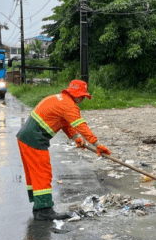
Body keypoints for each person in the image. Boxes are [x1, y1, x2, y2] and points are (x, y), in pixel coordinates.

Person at [16, 80, 111, 221]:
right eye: (83, 96)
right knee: (42, 174)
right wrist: (97, 144)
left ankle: (39, 207)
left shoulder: (60, 99)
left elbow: (66, 124)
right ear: (77, 95)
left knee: (36, 174)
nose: (83, 99)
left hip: (27, 137)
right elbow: (81, 125)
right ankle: (44, 211)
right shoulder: (69, 106)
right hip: (34, 139)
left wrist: (75, 138)